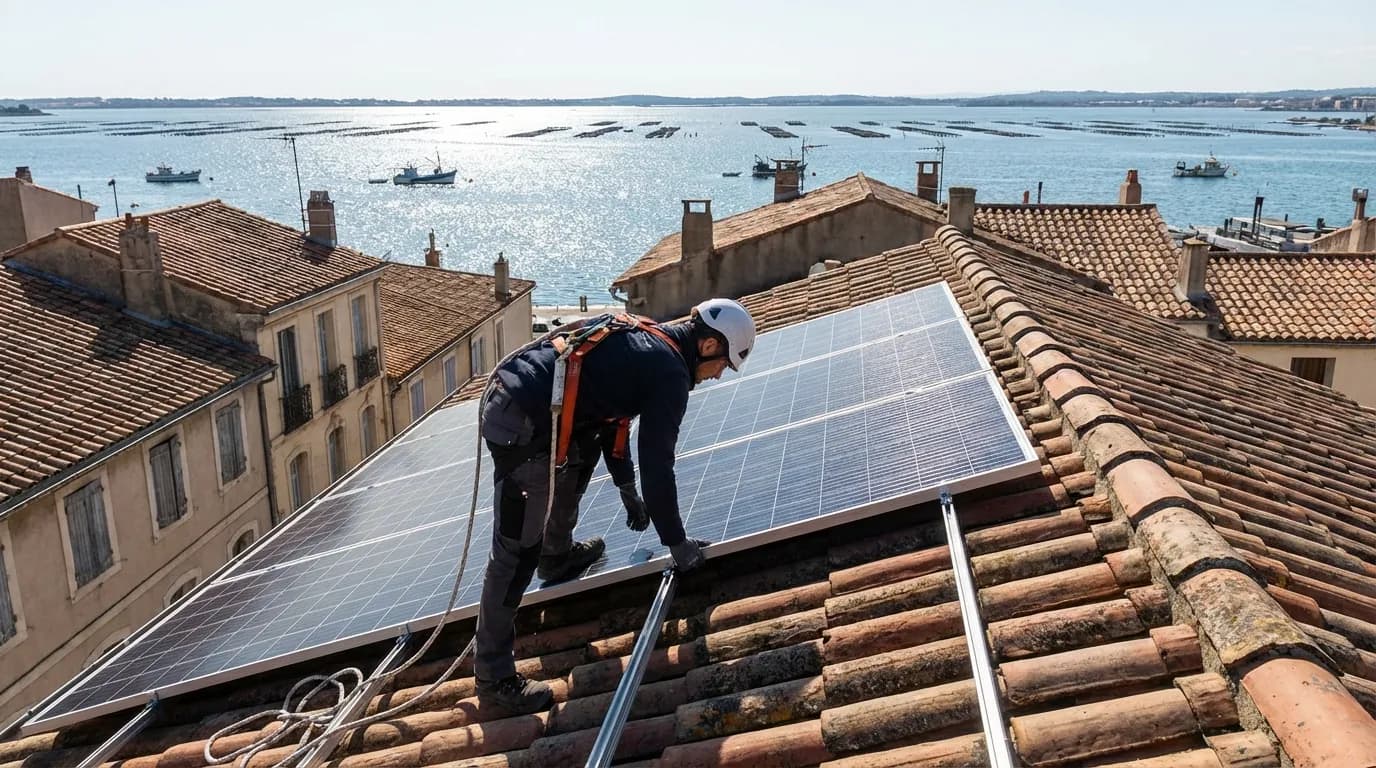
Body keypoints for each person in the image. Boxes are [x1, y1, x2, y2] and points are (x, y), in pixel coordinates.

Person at [473, 298, 756, 713]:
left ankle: (556, 556)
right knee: (515, 553)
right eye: (723, 365)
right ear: (710, 346)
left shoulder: (649, 340)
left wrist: (626, 489)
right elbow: (659, 463)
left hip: (528, 403)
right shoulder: (670, 373)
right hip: (521, 422)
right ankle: (493, 678)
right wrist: (677, 543)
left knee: (581, 451)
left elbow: (609, 419)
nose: (717, 376)